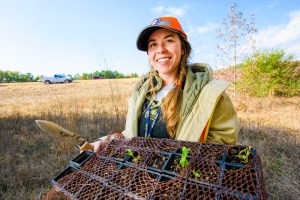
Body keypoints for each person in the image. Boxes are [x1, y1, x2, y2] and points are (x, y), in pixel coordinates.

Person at [92, 16, 237, 153]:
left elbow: (223, 143)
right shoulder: (141, 92)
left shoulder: (209, 93)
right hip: (140, 176)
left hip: (184, 177)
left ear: (182, 48)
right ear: (149, 53)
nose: (160, 49)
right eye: (153, 44)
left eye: (168, 41)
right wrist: (105, 141)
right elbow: (131, 134)